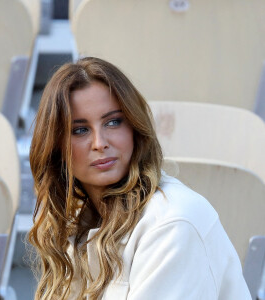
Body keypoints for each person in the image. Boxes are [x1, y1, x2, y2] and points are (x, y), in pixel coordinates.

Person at [29, 57, 251, 300]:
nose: (100, 143)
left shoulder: (173, 224)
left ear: (134, 127)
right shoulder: (77, 222)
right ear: (56, 146)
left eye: (113, 122)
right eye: (80, 130)